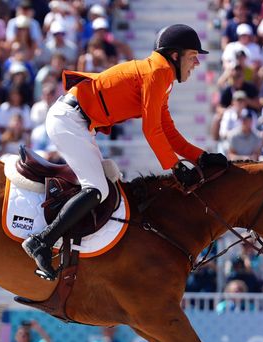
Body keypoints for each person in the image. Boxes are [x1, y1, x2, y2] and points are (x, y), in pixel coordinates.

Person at [21, 24, 228, 280]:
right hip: (69, 119)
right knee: (97, 189)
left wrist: (200, 157)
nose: (196, 62)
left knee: (108, 181)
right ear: (175, 56)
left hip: (76, 121)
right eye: (192, 55)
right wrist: (175, 167)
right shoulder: (159, 71)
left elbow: (167, 129)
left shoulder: (161, 75)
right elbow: (152, 129)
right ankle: (42, 240)